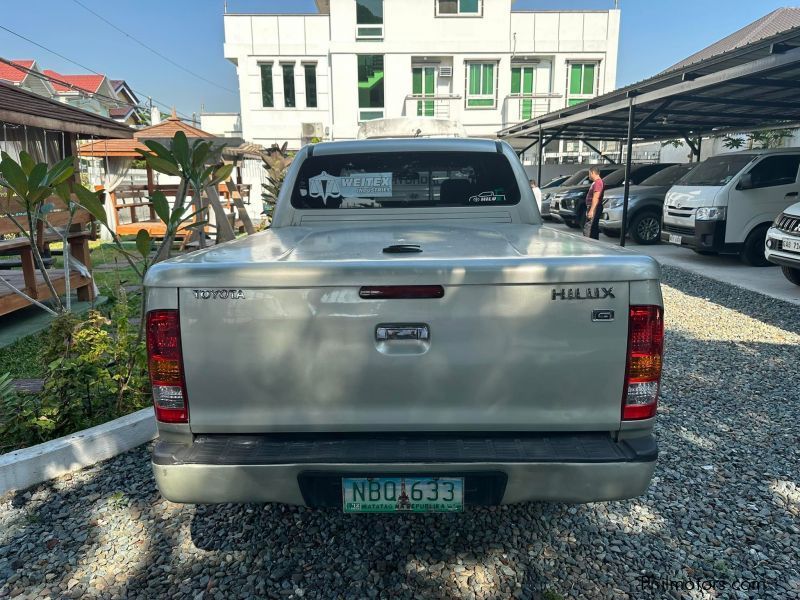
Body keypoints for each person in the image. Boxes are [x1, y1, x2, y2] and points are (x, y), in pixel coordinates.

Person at [583, 166, 605, 240]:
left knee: (589, 227)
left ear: (592, 173)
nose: (589, 175)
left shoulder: (598, 183)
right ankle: (594, 243)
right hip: (593, 207)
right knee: (593, 228)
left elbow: (596, 197)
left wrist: (591, 210)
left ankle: (587, 243)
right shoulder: (596, 182)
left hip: (594, 207)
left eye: (589, 173)